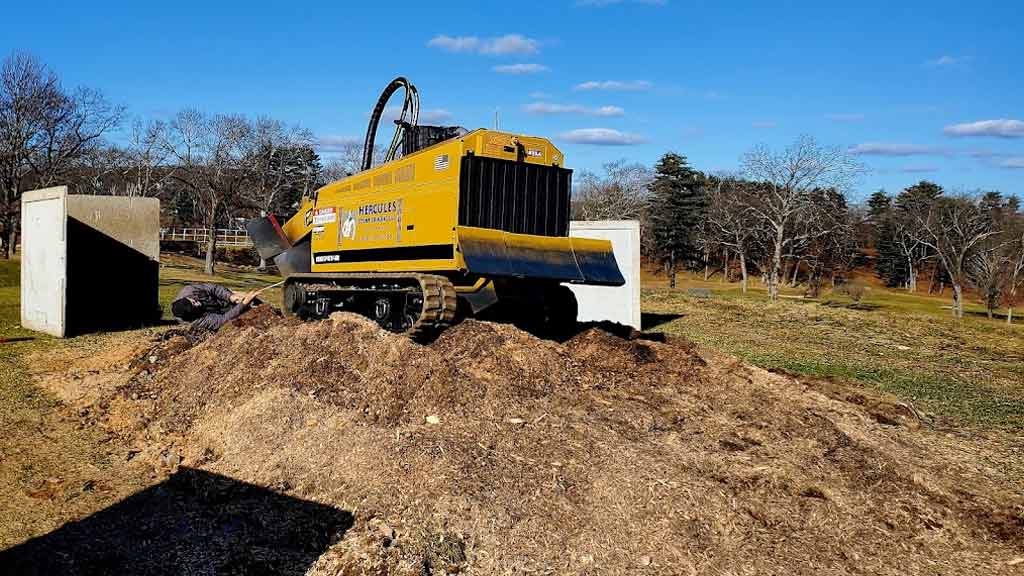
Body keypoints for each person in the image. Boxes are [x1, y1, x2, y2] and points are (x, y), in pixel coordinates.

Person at [170, 284, 260, 331]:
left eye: (194, 302)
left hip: (221, 299)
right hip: (219, 313)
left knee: (250, 299)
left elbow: (214, 289)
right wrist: (243, 304)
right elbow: (223, 320)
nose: (198, 304)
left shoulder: (189, 290)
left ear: (187, 297)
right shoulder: (195, 321)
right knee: (247, 309)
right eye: (195, 307)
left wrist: (230, 297)